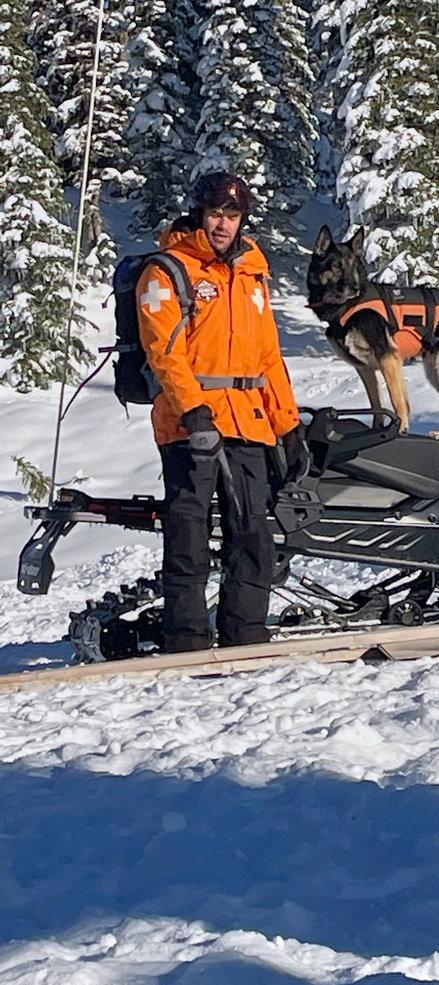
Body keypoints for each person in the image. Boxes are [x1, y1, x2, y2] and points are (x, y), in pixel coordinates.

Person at [136, 171, 308, 653]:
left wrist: (287, 424)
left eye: (232, 216)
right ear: (199, 215)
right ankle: (186, 637)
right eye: (216, 215)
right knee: (188, 532)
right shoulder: (168, 270)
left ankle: (245, 633)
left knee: (252, 533)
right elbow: (163, 351)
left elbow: (268, 357)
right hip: (191, 425)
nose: (223, 225)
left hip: (248, 421)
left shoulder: (253, 273)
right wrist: (194, 413)